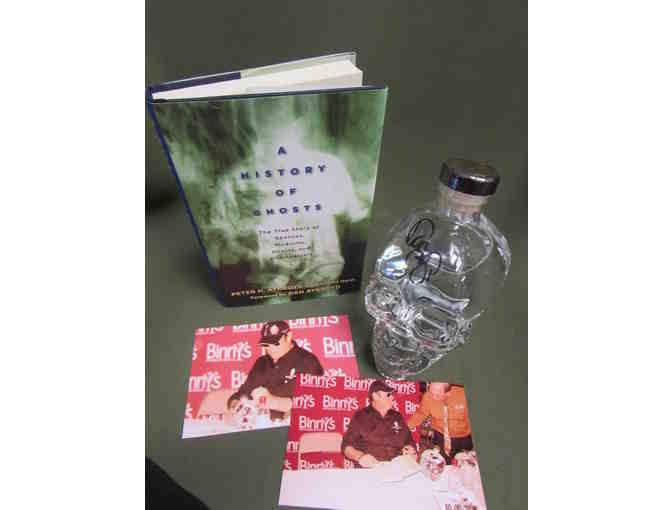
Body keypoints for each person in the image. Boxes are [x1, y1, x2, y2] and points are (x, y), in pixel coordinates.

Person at [227, 320, 324, 421]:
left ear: (288, 336)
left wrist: (273, 402)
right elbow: (243, 393)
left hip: (293, 425)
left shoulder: (308, 361)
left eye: (275, 343)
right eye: (266, 344)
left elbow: (316, 402)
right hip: (263, 424)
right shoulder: (261, 362)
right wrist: (235, 404)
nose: (270, 348)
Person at [341, 380, 416, 468]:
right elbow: (346, 446)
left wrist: (409, 448)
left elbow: (409, 440)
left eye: (392, 394)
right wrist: (360, 456)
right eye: (388, 395)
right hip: (371, 469)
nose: (392, 397)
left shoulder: (397, 416)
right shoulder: (361, 416)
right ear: (375, 396)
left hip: (396, 468)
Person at [407, 382, 473, 464]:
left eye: (437, 395)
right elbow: (420, 414)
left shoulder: (463, 395)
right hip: (440, 436)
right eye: (431, 393)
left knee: (464, 464)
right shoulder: (428, 396)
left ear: (448, 393)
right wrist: (406, 427)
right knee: (441, 463)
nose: (433, 398)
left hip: (463, 438)